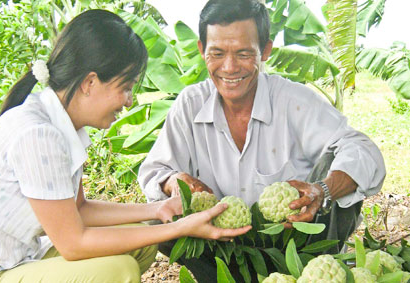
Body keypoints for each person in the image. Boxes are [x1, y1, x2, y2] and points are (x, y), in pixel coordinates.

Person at [0, 9, 251, 283]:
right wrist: (181, 227)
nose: (128, 101)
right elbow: (73, 243)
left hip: (19, 256)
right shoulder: (39, 135)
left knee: (141, 243)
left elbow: (80, 210)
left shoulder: (60, 125)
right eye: (125, 87)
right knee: (119, 272)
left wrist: (157, 210)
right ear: (90, 82)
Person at [138, 0, 386, 281]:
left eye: (244, 54)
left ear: (265, 51)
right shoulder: (191, 104)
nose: (229, 68)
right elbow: (154, 172)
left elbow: (362, 150)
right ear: (201, 50)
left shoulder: (293, 100)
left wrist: (322, 191)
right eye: (217, 53)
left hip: (292, 240)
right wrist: (174, 181)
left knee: (342, 175)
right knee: (158, 215)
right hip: (223, 242)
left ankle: (314, 273)